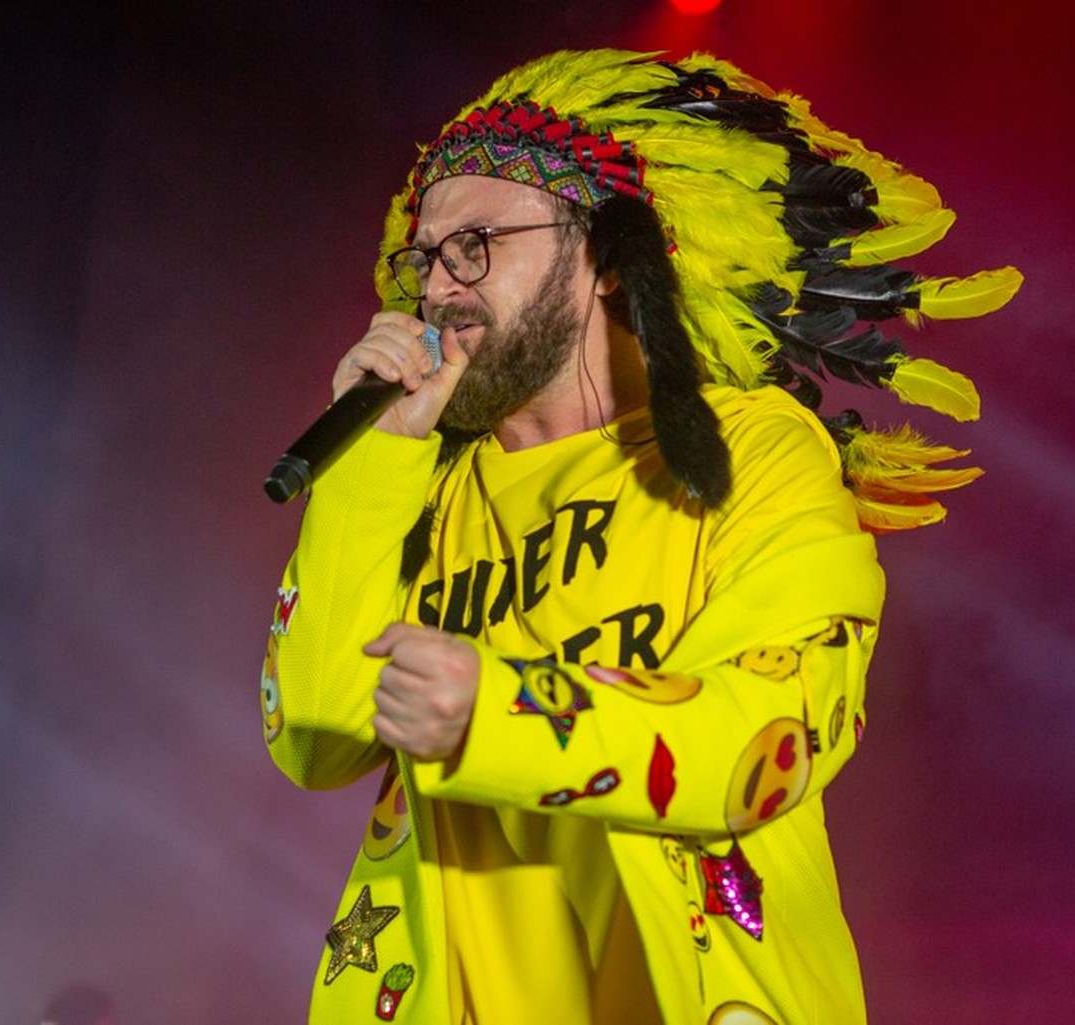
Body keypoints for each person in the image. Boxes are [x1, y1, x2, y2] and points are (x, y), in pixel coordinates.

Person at [260, 48, 1019, 1024]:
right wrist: (371, 469)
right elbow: (314, 740)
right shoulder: (425, 489)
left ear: (610, 260)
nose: (440, 284)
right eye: (427, 256)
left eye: (478, 242)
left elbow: (768, 729)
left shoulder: (758, 451)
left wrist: (500, 711)